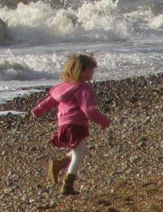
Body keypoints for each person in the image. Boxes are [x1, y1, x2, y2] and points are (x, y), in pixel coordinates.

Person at [31, 53, 110, 195]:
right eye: (91, 70)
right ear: (82, 71)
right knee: (79, 153)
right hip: (76, 125)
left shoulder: (63, 87)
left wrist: (38, 110)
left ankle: (59, 164)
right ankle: (68, 185)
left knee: (81, 149)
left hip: (63, 124)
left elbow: (50, 100)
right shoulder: (84, 89)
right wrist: (103, 121)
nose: (93, 73)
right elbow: (88, 110)